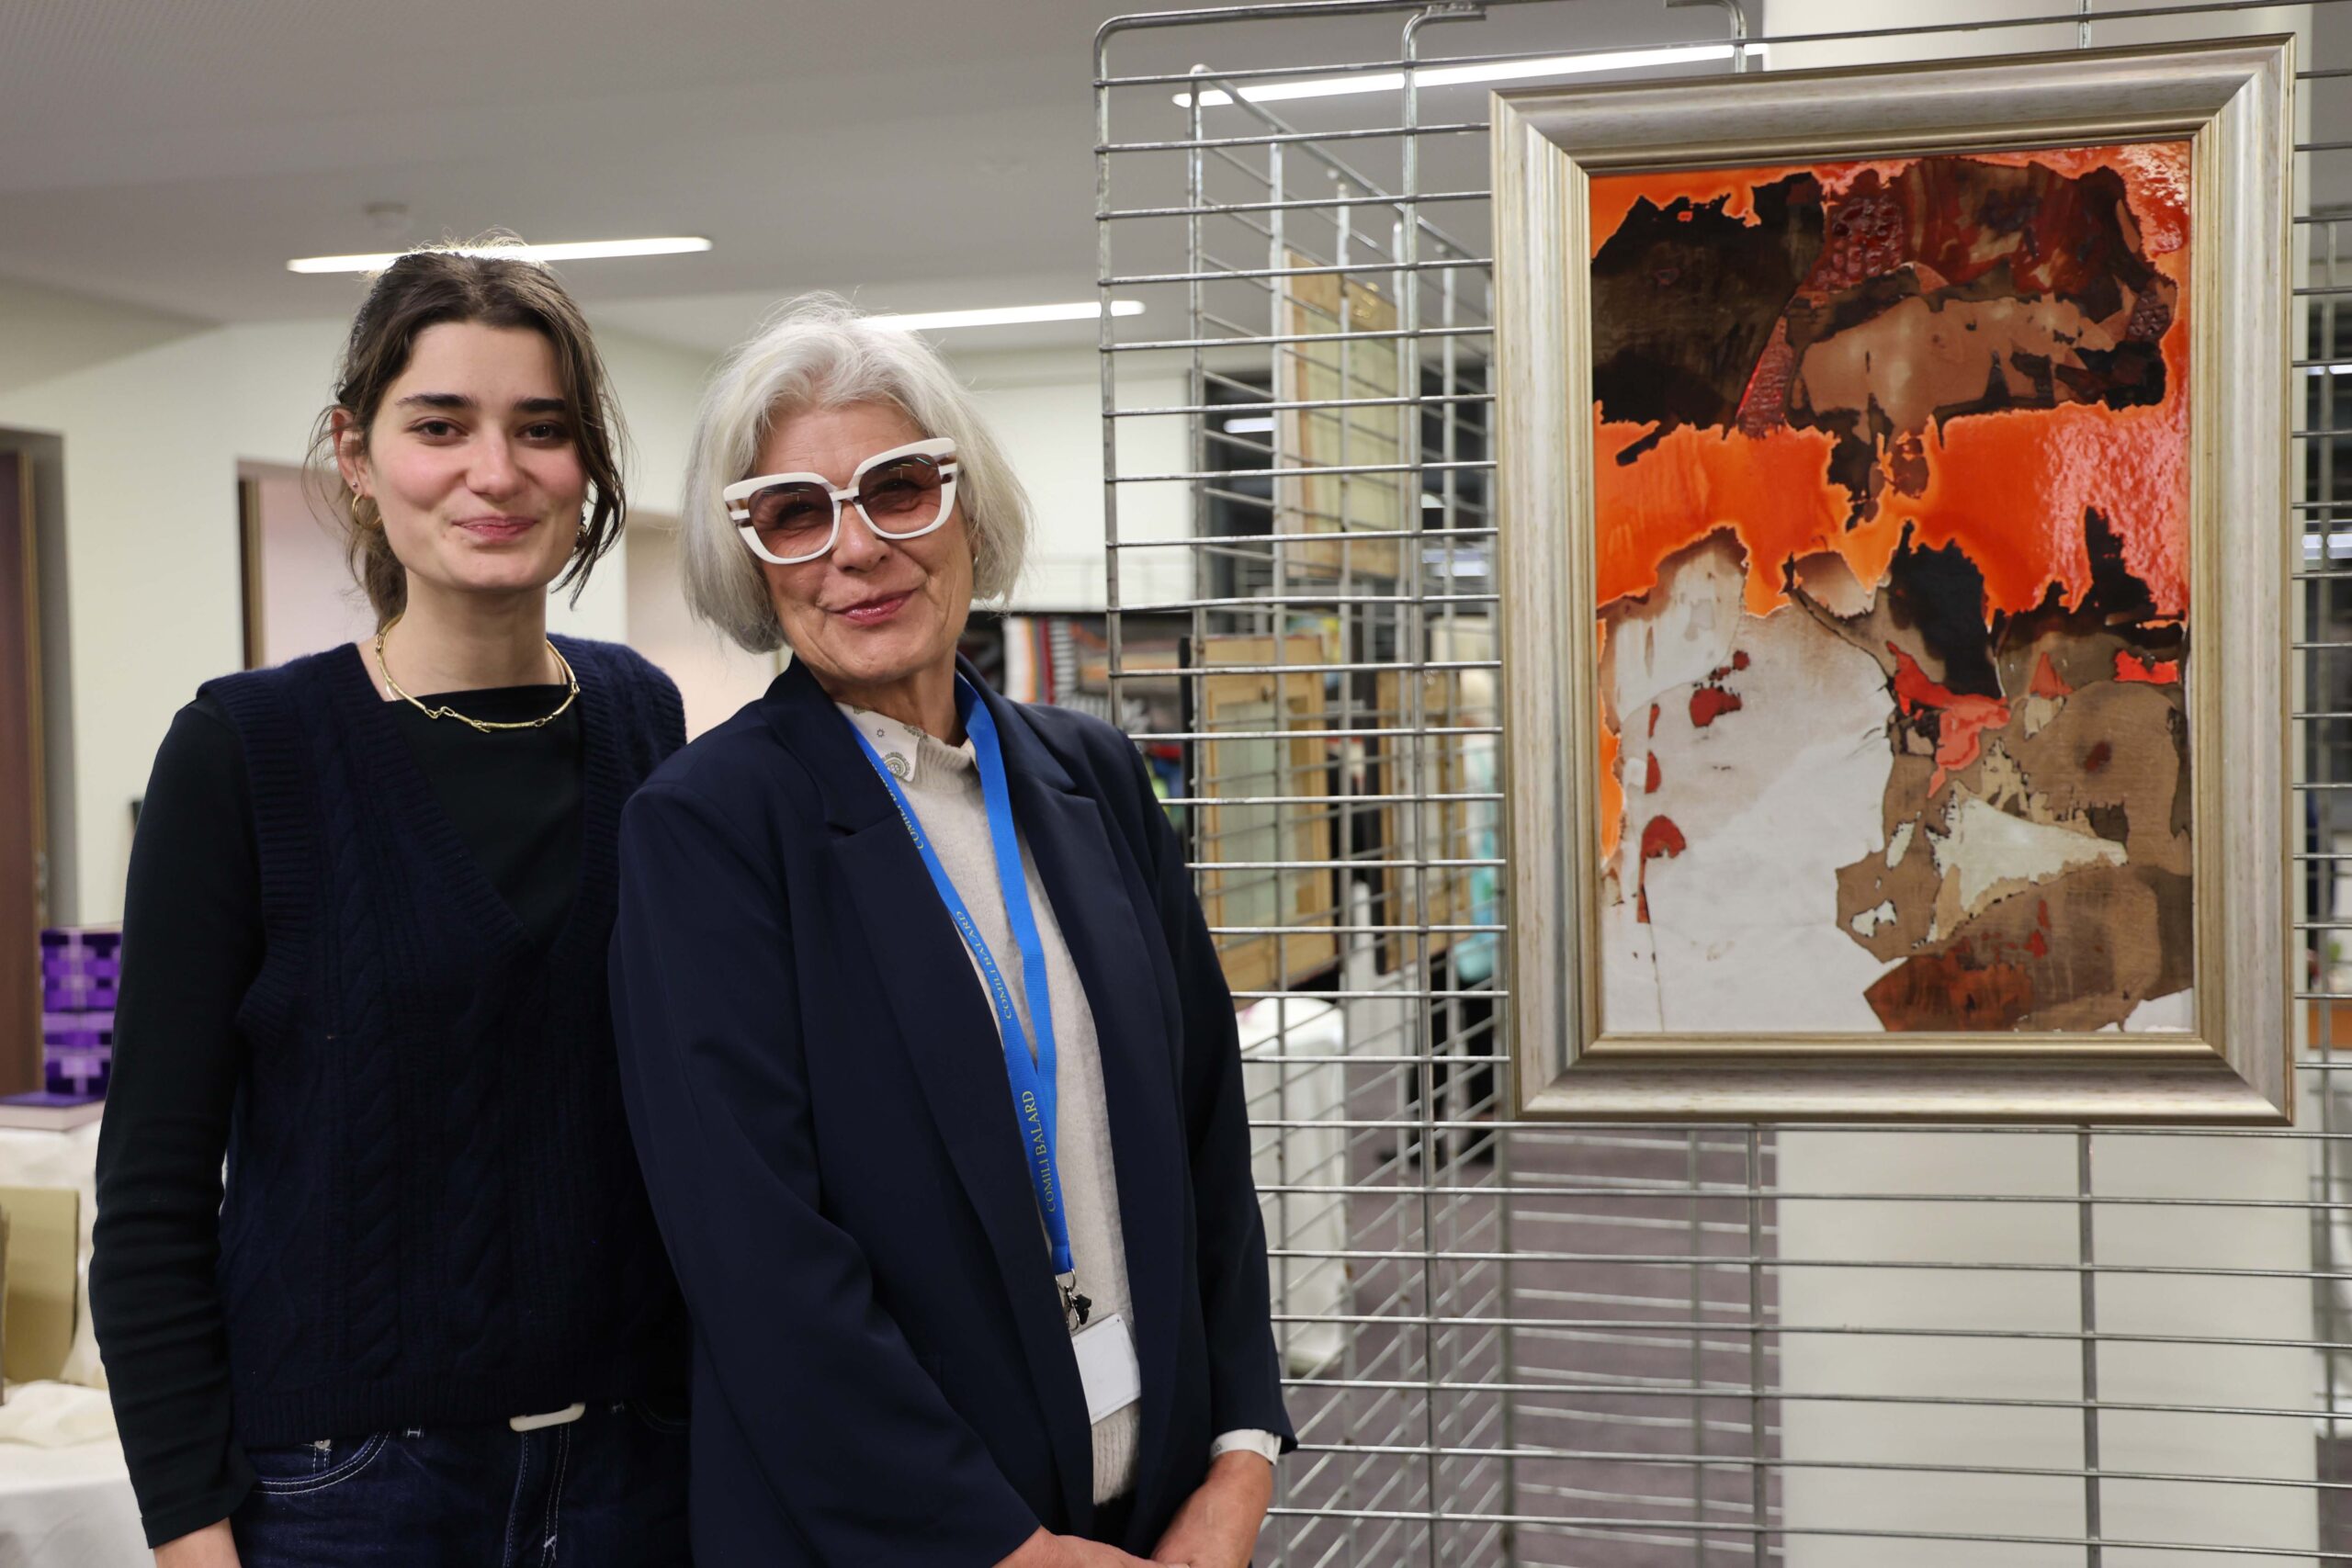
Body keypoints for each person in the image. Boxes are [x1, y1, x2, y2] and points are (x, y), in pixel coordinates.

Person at [608, 296, 1294, 1568]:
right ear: (753, 563)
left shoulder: (1094, 777)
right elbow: (758, 1261)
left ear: (966, 506)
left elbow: (1207, 1132)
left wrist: (1241, 1448)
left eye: (897, 489)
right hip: (898, 1541)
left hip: (1162, 1516)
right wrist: (998, 1549)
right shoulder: (709, 830)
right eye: (796, 513)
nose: (857, 549)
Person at [90, 249, 693, 1568]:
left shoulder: (644, 718)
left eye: (542, 428)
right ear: (357, 455)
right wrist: (188, 1529)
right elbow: (151, 1194)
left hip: (638, 1471)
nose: (496, 471)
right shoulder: (247, 751)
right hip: (348, 1492)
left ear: (586, 465)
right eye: (441, 426)